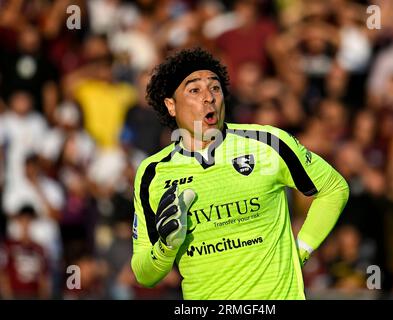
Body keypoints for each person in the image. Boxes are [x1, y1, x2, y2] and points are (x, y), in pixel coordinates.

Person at [131, 48, 349, 300]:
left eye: (215, 88)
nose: (208, 98)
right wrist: (166, 248)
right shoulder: (152, 173)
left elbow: (334, 188)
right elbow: (143, 274)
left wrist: (300, 251)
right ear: (171, 105)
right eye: (194, 90)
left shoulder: (268, 143)